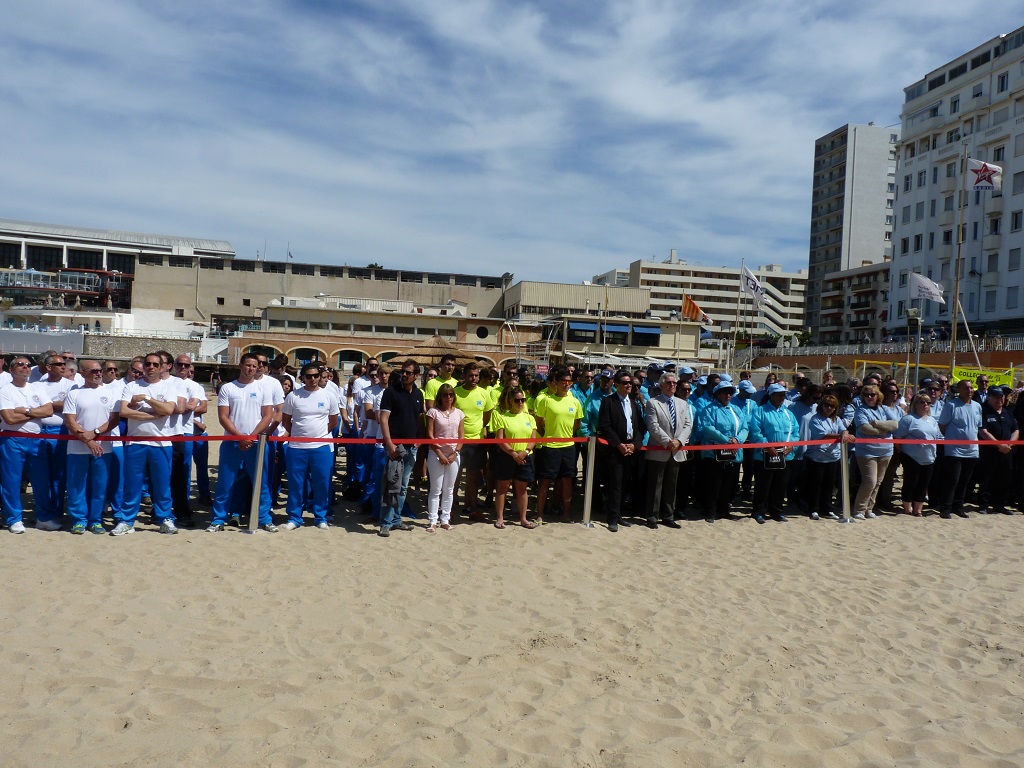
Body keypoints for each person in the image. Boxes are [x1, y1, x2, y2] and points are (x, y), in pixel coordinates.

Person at [116, 353, 185, 535]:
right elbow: (124, 411)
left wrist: (146, 399)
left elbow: (169, 410)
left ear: (162, 367)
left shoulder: (168, 387)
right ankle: (127, 520)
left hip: (160, 443)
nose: (151, 367)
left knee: (162, 484)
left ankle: (165, 519)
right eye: (148, 364)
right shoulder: (131, 386)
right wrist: (153, 415)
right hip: (135, 442)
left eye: (155, 364)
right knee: (132, 485)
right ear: (143, 366)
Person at [207, 354, 277, 533]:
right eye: (248, 365)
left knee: (261, 483)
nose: (251, 369)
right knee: (225, 483)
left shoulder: (264, 389)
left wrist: (251, 437)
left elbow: (268, 416)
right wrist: (239, 437)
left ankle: (264, 518)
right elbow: (223, 417)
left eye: (255, 366)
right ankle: (218, 519)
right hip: (232, 443)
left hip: (256, 444)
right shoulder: (228, 388)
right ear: (240, 366)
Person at [62, 360, 122, 534]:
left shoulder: (110, 393)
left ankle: (95, 520)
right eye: (93, 371)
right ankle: (79, 520)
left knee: (99, 486)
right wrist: (88, 440)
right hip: (77, 447)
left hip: (104, 448)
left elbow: (114, 420)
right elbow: (70, 421)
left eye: (99, 370)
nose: (98, 373)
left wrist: (94, 433)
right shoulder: (74, 393)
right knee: (76, 486)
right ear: (82, 373)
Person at [281, 362, 340, 530]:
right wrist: (299, 434)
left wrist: (318, 434)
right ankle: (294, 517)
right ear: (303, 378)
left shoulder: (328, 395)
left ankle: (320, 516)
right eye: (309, 376)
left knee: (322, 482)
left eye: (316, 376)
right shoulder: (294, 396)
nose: (313, 379)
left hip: (321, 446)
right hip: (297, 447)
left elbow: (333, 421)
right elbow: (286, 420)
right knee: (296, 483)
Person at [0, 356, 55, 533]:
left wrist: (25, 411)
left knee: (41, 480)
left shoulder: (36, 388)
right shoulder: (5, 390)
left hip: (36, 439)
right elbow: (9, 418)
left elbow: (49, 410)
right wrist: (36, 413)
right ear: (11, 369)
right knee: (11, 481)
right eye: (20, 365)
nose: (24, 367)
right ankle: (14, 518)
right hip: (12, 439)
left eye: (27, 365)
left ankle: (43, 518)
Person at [377, 359, 425, 537]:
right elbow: (383, 419)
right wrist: (389, 444)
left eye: (408, 372)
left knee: (403, 486)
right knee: (391, 484)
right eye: (403, 371)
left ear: (416, 376)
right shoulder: (391, 392)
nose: (404, 375)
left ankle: (396, 520)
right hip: (395, 445)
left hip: (411, 446)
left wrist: (420, 439)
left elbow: (420, 419)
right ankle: (386, 522)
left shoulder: (418, 394)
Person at [598, 370, 646, 532]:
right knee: (616, 484)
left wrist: (635, 445)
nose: (628, 385)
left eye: (630, 383)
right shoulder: (608, 402)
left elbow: (640, 427)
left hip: (631, 448)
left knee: (626, 483)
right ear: (616, 384)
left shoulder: (633, 402)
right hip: (615, 449)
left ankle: (619, 515)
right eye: (625, 382)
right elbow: (605, 426)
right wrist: (618, 444)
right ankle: (612, 517)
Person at [535, 365, 583, 525]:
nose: (567, 384)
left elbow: (577, 424)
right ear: (556, 382)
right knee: (544, 482)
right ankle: (540, 514)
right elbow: (539, 424)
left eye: (569, 381)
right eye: (563, 381)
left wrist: (566, 435)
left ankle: (566, 514)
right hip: (549, 446)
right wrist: (550, 434)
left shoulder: (575, 402)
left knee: (567, 481)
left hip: (568, 446)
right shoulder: (546, 400)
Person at [33, 353, 77, 528]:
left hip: (60, 431)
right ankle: (43, 513)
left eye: (63, 364)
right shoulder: (36, 384)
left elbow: (68, 406)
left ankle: (57, 512)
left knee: (59, 475)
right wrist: (52, 405)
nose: (63, 367)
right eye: (58, 364)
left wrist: (45, 405)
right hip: (38, 431)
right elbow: (35, 406)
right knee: (40, 476)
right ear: (48, 367)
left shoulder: (72, 385)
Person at [643, 371, 691, 526]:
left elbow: (688, 425)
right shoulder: (653, 402)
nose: (672, 385)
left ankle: (668, 515)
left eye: (674, 383)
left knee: (672, 485)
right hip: (659, 449)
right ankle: (652, 516)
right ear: (662, 384)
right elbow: (653, 426)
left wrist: (679, 441)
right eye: (669, 383)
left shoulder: (682, 403)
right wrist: (668, 441)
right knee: (655, 485)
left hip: (676, 450)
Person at [749, 383, 801, 524]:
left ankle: (776, 511)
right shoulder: (760, 411)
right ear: (771, 395)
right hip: (765, 455)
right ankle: (759, 511)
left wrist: (792, 446)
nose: (781, 397)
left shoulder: (788, 413)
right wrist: (767, 445)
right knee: (763, 485)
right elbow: (755, 431)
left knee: (780, 485)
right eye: (778, 394)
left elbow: (796, 432)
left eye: (783, 394)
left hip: (785, 455)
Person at [696, 381, 747, 521]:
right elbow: (708, 428)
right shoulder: (709, 409)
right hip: (714, 454)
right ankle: (710, 511)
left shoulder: (736, 409)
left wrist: (737, 440)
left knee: (729, 483)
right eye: (724, 392)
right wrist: (726, 439)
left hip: (733, 452)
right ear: (717, 394)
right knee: (713, 483)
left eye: (730, 392)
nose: (728, 395)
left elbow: (744, 427)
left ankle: (724, 510)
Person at [491, 386, 538, 530]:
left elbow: (533, 438)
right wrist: (513, 454)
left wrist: (525, 452)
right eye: (517, 400)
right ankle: (500, 518)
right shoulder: (503, 417)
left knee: (522, 488)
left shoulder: (529, 417)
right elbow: (500, 439)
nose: (520, 403)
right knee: (503, 487)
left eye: (523, 400)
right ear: (510, 401)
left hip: (525, 455)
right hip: (507, 455)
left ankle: (523, 518)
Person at [169, 354, 207, 527]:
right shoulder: (168, 382)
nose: (183, 368)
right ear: (174, 365)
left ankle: (182, 504)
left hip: (185, 432)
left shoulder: (195, 386)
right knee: (165, 471)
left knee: (184, 471)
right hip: (166, 432)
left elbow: (193, 406)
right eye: (180, 365)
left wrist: (170, 407)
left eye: (186, 365)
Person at [936, 379, 982, 519]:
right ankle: (946, 507)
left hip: (972, 450)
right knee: (952, 480)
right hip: (954, 450)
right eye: (966, 388)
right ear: (959, 390)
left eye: (971, 388)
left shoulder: (977, 406)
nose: (969, 390)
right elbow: (942, 426)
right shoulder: (951, 405)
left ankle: (958, 506)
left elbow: (977, 427)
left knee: (964, 482)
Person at [851, 384, 897, 520]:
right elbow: (864, 428)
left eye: (872, 394)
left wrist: (876, 423)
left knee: (878, 481)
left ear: (878, 396)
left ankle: (868, 509)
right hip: (867, 451)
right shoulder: (860, 410)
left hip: (886, 450)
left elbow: (895, 424)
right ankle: (859, 509)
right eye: (866, 395)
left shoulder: (884, 409)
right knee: (869, 481)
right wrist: (884, 430)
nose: (869, 397)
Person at [893, 393, 942, 517]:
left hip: (929, 457)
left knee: (923, 484)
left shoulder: (932, 420)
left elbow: (938, 437)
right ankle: (907, 508)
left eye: (928, 402)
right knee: (911, 482)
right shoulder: (909, 419)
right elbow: (898, 437)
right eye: (922, 402)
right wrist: (902, 452)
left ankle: (918, 509)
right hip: (911, 456)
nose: (925, 405)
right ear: (915, 404)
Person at [453, 362, 492, 521]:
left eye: (476, 375)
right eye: (471, 375)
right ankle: (451, 508)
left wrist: (480, 429)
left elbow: (487, 414)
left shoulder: (484, 394)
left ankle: (472, 508)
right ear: (464, 375)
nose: (474, 378)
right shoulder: (455, 393)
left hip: (477, 441)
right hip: (457, 440)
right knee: (454, 476)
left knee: (473, 477)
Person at [802, 394, 850, 519]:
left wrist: (845, 433)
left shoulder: (837, 420)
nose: (829, 408)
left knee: (829, 484)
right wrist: (841, 436)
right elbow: (822, 435)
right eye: (827, 405)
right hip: (817, 457)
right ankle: (814, 509)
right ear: (821, 405)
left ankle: (827, 509)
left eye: (832, 406)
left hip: (833, 456)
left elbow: (844, 430)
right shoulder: (815, 419)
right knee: (816, 484)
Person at [424, 383, 464, 532]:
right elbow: (430, 435)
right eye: (445, 394)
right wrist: (440, 453)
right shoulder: (433, 412)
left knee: (449, 489)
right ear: (440, 396)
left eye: (451, 394)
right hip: (436, 453)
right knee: (436, 489)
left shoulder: (459, 413)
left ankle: (445, 519)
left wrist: (456, 453)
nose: (448, 397)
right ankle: (433, 520)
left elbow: (461, 436)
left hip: (454, 454)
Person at [976, 386, 1018, 515]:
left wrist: (1009, 444)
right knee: (986, 479)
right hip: (989, 451)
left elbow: (1016, 430)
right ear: (989, 398)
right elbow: (983, 431)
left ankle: (999, 505)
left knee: (1004, 479)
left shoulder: (1007, 412)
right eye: (995, 397)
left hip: (1006, 452)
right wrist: (999, 445)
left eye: (1001, 397)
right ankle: (983, 505)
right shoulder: (984, 412)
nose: (999, 400)